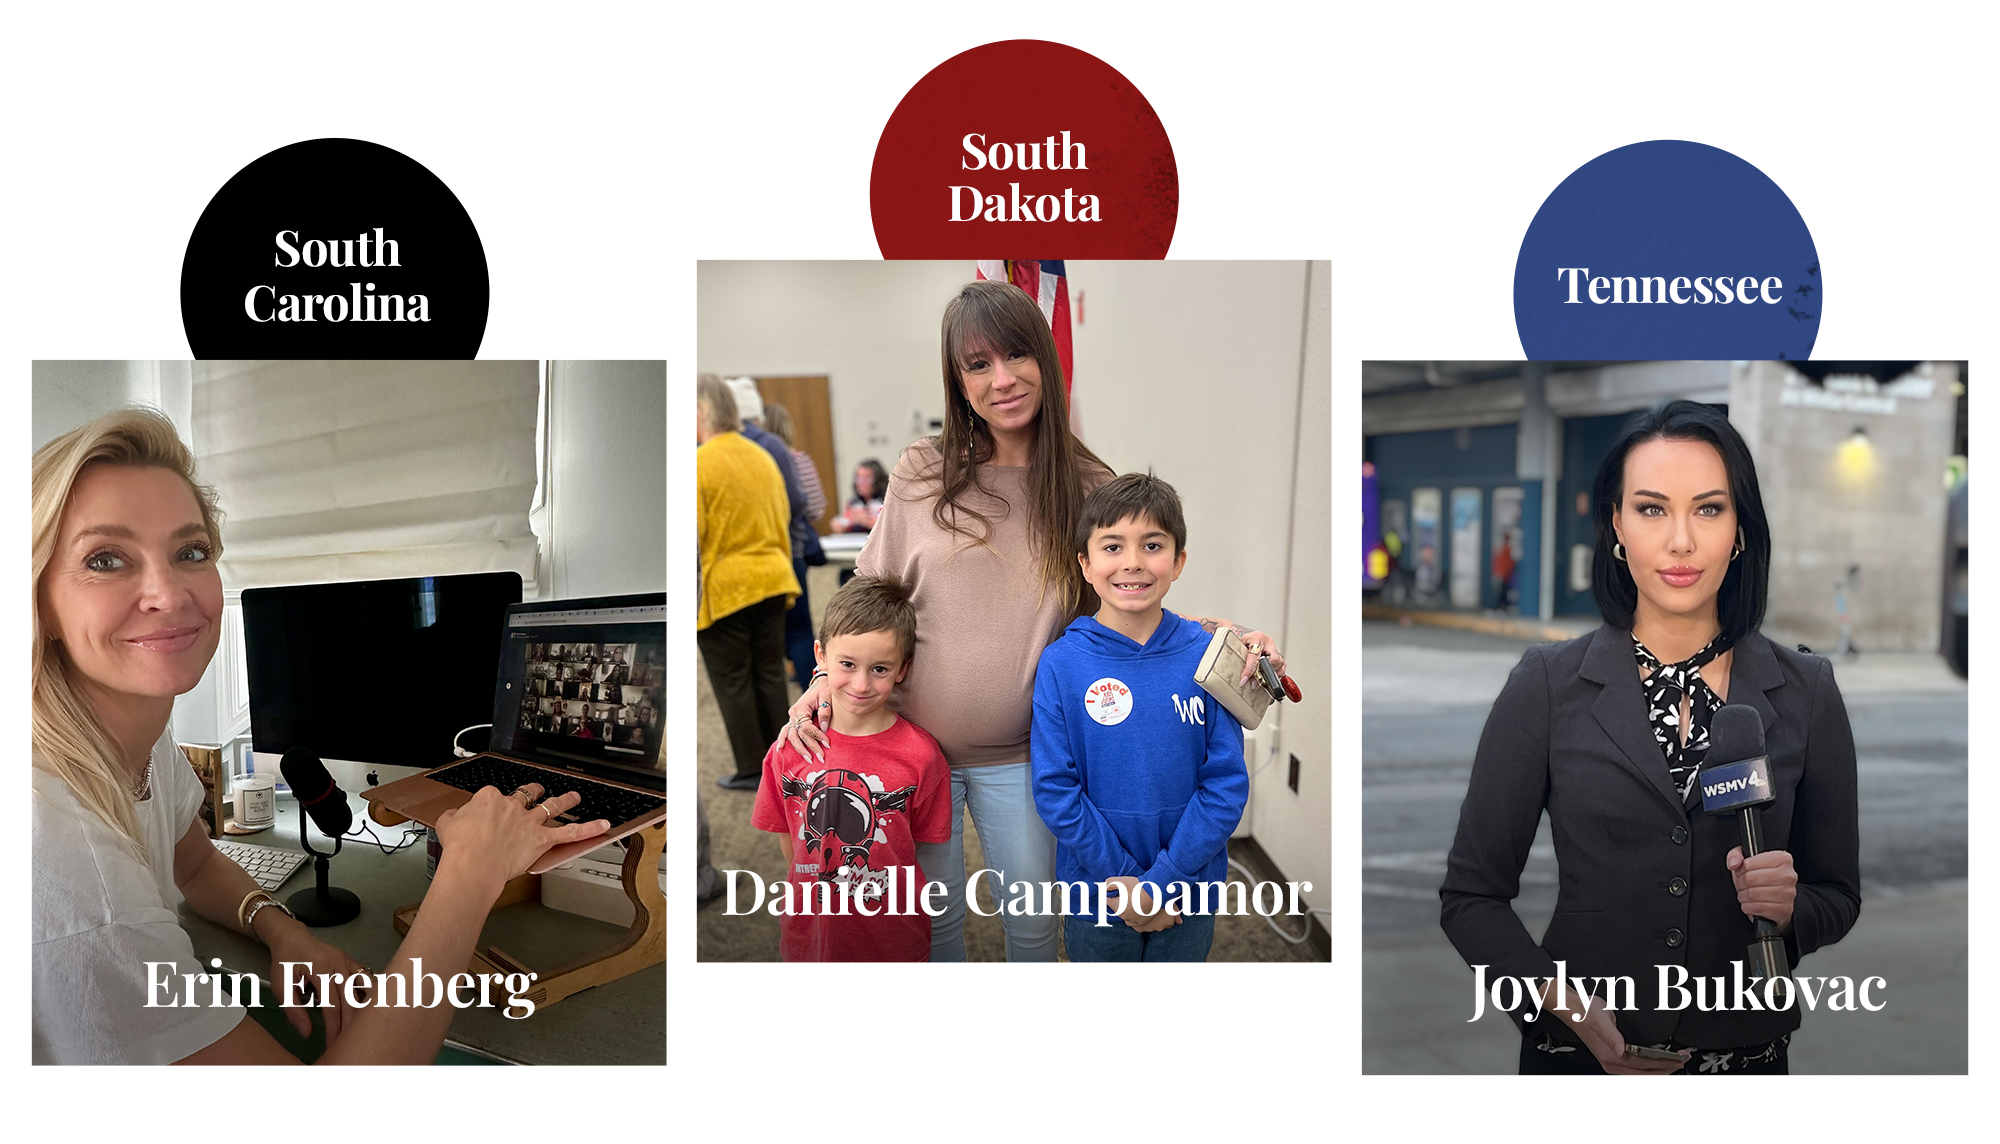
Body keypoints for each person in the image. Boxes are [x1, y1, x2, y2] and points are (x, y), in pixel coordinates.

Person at [31, 408, 611, 1065]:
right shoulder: (67, 865)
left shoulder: (127, 736)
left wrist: (283, 933)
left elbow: (190, 861)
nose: (168, 591)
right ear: (38, 602)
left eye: (190, 551)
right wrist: (471, 873)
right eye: (105, 559)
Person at [777, 279, 1287, 963]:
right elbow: (869, 593)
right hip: (907, 746)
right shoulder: (921, 470)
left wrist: (1222, 634)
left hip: (1025, 759)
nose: (1003, 379)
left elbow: (1124, 599)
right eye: (978, 364)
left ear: (1046, 359)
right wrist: (822, 678)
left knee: (1033, 929)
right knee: (935, 928)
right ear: (958, 382)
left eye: (1017, 355)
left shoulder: (1087, 485)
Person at [1439, 400, 1860, 1075]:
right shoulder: (1547, 684)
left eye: (1710, 509)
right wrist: (1557, 1002)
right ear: (1617, 526)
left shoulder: (1806, 690)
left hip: (1743, 1064)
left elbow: (1838, 895)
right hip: (1575, 1059)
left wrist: (1789, 911)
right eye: (1653, 509)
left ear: (1741, 532)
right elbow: (1471, 897)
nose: (1681, 542)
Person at [1031, 473, 1248, 961]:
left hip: (1189, 885)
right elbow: (1055, 789)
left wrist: (1164, 883)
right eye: (1112, 546)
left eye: (1152, 545)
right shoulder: (1061, 664)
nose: (1132, 563)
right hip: (1099, 892)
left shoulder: (1208, 658)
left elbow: (1226, 785)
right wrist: (1125, 882)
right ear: (1084, 564)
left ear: (1178, 562)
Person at [751, 576, 951, 960]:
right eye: (847, 664)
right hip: (809, 934)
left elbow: (912, 844)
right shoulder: (787, 750)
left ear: (902, 669)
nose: (860, 684)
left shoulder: (922, 756)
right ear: (820, 657)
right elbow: (789, 841)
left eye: (880, 669)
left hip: (895, 936)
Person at [696, 376, 800, 792]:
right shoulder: (762, 456)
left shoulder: (700, 462)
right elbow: (784, 517)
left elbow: (694, 537)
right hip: (774, 577)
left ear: (701, 412)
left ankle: (751, 770)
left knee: (734, 681)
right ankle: (784, 761)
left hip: (728, 587)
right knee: (771, 674)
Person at [761, 399, 830, 691]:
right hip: (793, 551)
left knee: (765, 635)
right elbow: (816, 508)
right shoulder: (797, 459)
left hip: (757, 556)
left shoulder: (749, 460)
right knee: (801, 631)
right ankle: (810, 691)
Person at [829, 459, 889, 534]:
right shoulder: (853, 502)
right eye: (858, 478)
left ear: (878, 480)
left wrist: (865, 520)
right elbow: (845, 523)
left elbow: (888, 526)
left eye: (866, 479)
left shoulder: (886, 500)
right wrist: (840, 526)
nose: (861, 483)